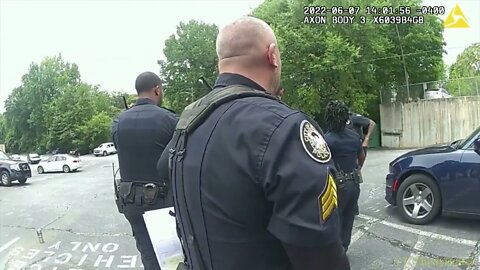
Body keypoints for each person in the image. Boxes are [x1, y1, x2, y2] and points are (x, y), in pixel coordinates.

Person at [158, 16, 349, 270]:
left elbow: (164, 167)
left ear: (221, 63)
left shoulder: (189, 120)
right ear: (272, 56)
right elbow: (318, 253)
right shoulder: (284, 127)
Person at [112, 71, 178, 270]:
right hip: (162, 205)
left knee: (148, 255)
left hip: (130, 202)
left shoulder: (118, 122)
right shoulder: (170, 120)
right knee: (172, 257)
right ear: (157, 90)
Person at [324, 100, 366, 253]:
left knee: (332, 221)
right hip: (354, 184)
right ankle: (343, 250)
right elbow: (361, 156)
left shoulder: (326, 139)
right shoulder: (354, 136)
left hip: (336, 187)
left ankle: (333, 254)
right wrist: (356, 169)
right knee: (348, 220)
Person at [346, 109, 375, 216]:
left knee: (354, 175)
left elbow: (372, 123)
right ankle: (352, 207)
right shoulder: (340, 120)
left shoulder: (354, 117)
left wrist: (367, 139)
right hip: (347, 151)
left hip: (357, 150)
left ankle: (353, 207)